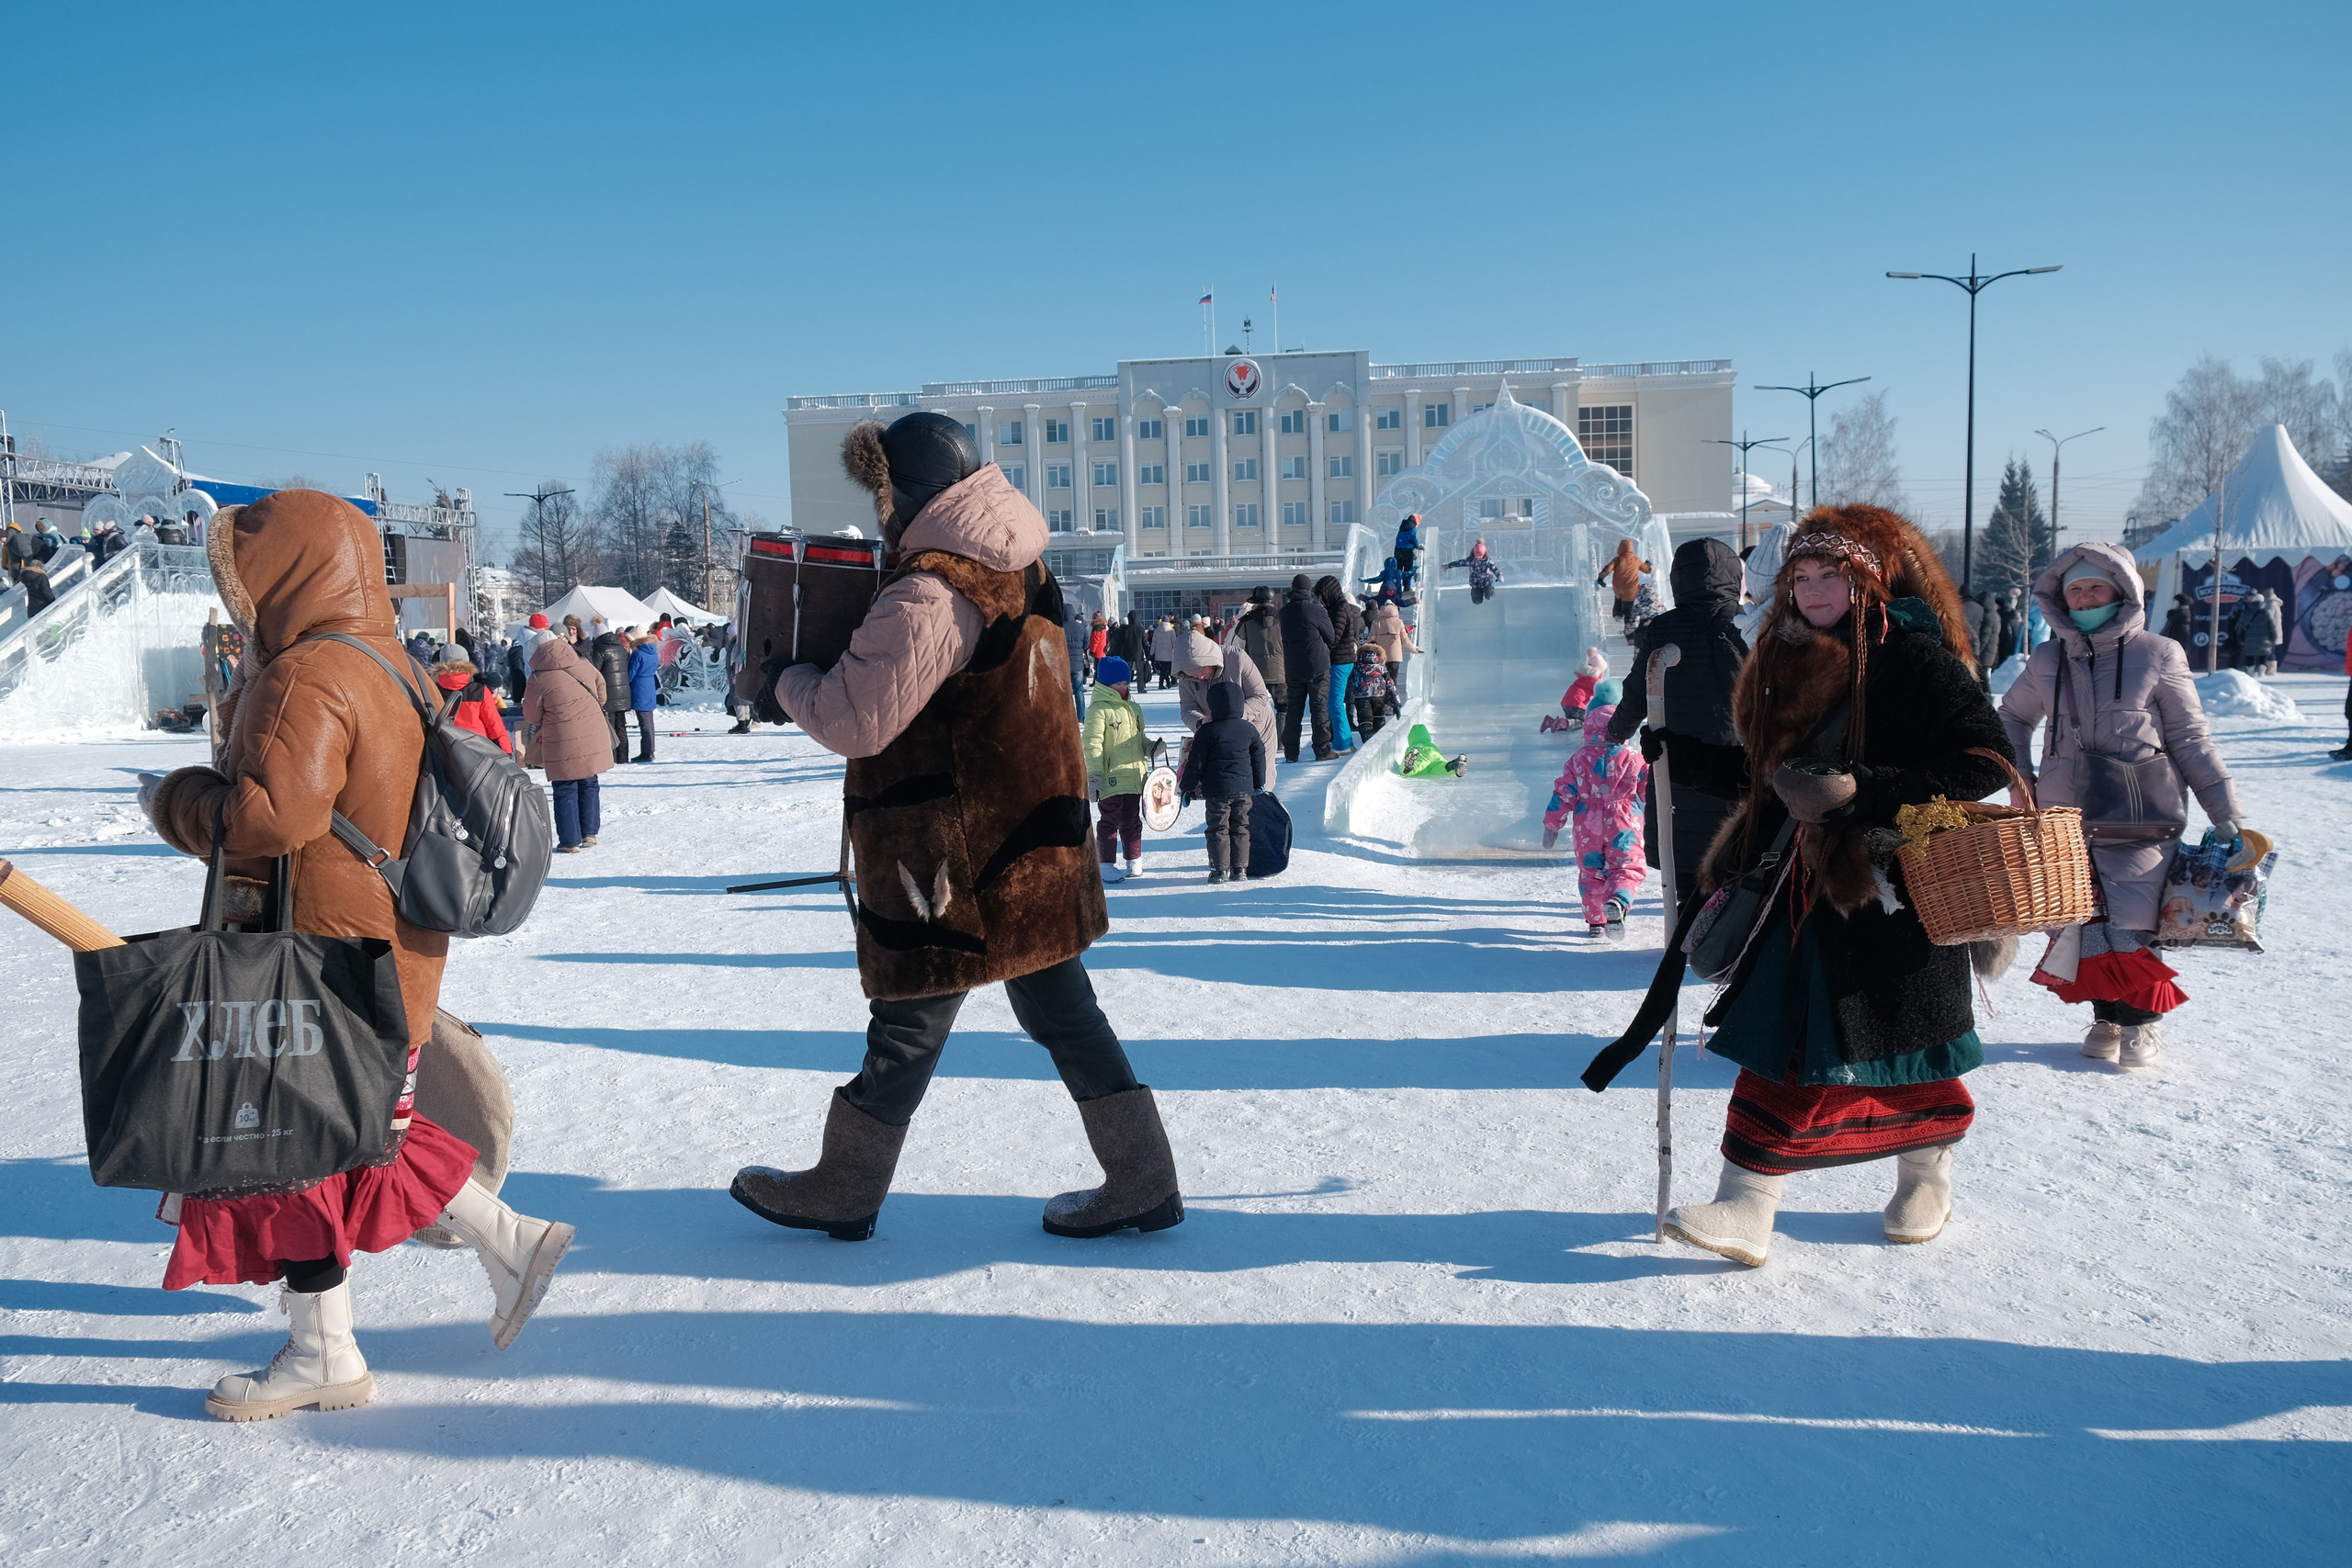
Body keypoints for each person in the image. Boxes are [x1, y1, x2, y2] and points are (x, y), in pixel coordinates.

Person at [136, 489, 572, 1420]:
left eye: (242, 580)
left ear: (282, 577)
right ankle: (508, 1240)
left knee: (288, 1154)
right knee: (368, 1138)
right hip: (393, 947)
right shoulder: (393, 662)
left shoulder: (304, 677)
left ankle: (324, 1354)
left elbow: (269, 819)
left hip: (313, 964)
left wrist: (178, 799)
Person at [733, 411, 1182, 1244]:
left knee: (909, 1021)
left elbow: (856, 718)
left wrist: (788, 679)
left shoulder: (933, 588)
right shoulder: (1017, 560)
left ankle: (846, 1184)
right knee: (1061, 1009)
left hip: (955, 859)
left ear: (900, 494)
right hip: (1028, 841)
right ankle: (1142, 1175)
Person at [1656, 505, 2011, 1269]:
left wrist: (1867, 790)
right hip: (1803, 886)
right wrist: (1677, 755)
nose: (1815, 589)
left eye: (1832, 576)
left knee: (1913, 1044)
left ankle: (1927, 1175)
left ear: (1866, 581)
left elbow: (1987, 760)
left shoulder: (1914, 656)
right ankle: (1747, 1204)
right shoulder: (1785, 657)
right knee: (1786, 1041)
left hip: (1898, 886)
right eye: (1803, 576)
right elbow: (1770, 779)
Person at [1998, 545, 2248, 1070]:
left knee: (2134, 922)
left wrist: (2225, 809)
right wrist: (2022, 780)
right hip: (2064, 817)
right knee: (2082, 921)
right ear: (2060, 598)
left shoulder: (2159, 653)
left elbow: (2189, 736)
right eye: (2076, 589)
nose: (2086, 596)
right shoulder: (2047, 659)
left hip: (2141, 809)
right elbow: (2011, 718)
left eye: (2096, 587)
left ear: (2123, 591)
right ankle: (2106, 1016)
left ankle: (2142, 1024)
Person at [1608, 537, 1751, 916]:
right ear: (1734, 576)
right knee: (1741, 853)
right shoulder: (1749, 625)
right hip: (1741, 763)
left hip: (1677, 761)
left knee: (1687, 856)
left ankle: (1691, 928)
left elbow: (1638, 688)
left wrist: (1617, 730)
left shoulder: (1663, 628)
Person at [1542, 685, 1647, 938]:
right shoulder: (1633, 758)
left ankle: (1596, 924)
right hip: (1624, 822)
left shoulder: (1578, 759)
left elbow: (1563, 794)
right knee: (1626, 867)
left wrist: (1551, 825)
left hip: (1587, 825)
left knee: (1591, 871)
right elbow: (1649, 789)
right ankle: (1618, 902)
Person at [524, 630, 614, 852]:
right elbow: (602, 695)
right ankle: (590, 833)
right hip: (592, 732)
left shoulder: (538, 678)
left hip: (561, 737)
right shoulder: (584, 664)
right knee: (589, 782)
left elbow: (532, 716)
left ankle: (570, 841)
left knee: (565, 787)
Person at [1180, 681, 1264, 884]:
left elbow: (1196, 763)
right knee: (1241, 826)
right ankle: (1240, 869)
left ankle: (1219, 870)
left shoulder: (1207, 732)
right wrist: (1259, 782)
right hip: (1244, 790)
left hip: (1217, 791)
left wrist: (1187, 787)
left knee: (1218, 828)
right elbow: (1259, 755)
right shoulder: (1249, 729)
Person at [1176, 628, 1279, 791]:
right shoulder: (1185, 678)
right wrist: (1202, 723)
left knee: (1258, 780)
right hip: (1217, 733)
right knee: (1227, 783)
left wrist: (1233, 718)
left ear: (1209, 659)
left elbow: (1260, 696)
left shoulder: (1236, 658)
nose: (1199, 677)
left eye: (1201, 671)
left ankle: (1259, 811)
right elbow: (1187, 710)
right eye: (1193, 675)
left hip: (1255, 727)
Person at [1082, 655, 1149, 882]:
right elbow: (1092, 744)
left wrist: (1152, 748)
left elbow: (1141, 739)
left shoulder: (1134, 707)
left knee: (1133, 820)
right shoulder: (1099, 709)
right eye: (1119, 683)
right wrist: (1094, 775)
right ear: (1106, 683)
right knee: (1110, 821)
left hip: (1133, 776)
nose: (1124, 686)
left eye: (1126, 682)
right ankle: (1106, 864)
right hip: (1110, 778)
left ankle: (1134, 860)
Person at [1276, 573, 1336, 761]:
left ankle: (1291, 752)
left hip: (1293, 668)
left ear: (1292, 590)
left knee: (1294, 710)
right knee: (1319, 708)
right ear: (1308, 590)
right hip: (1317, 666)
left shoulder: (1284, 612)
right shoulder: (1315, 610)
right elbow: (1331, 636)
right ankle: (1322, 750)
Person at [1316, 576, 1364, 753]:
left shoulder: (1338, 609)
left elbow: (1333, 637)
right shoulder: (1341, 607)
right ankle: (1344, 741)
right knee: (1334, 701)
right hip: (1343, 660)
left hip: (1340, 660)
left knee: (1335, 702)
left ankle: (1343, 744)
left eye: (1322, 595)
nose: (1321, 599)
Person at [431, 658, 513, 753]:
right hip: (478, 749)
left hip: (444, 749)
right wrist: (506, 751)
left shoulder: (432, 691)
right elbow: (494, 725)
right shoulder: (480, 691)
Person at [1232, 586, 1287, 722]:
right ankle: (1281, 742)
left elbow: (1236, 648)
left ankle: (1257, 740)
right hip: (1279, 672)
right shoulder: (1283, 620)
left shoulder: (1245, 622)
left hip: (1253, 673)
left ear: (1255, 602)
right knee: (1283, 708)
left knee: (1253, 709)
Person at [591, 626, 632, 764]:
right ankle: (623, 757)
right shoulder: (620, 648)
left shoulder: (600, 650)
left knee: (610, 727)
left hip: (609, 693)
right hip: (623, 694)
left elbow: (594, 671)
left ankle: (612, 757)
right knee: (621, 726)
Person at [1345, 640, 1400, 739]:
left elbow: (1349, 681)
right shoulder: (1381, 666)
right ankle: (1378, 741)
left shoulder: (1356, 665)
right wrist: (1396, 703)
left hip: (1361, 695)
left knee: (1365, 720)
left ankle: (1367, 740)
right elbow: (1390, 683)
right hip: (1378, 695)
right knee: (1378, 717)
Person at [1365, 591, 1419, 689]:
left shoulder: (1376, 622)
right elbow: (1405, 640)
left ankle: (1383, 699)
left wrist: (1364, 652)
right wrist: (1414, 650)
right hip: (1395, 657)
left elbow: (1370, 639)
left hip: (1381, 657)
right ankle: (1393, 700)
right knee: (1393, 680)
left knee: (1381, 679)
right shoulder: (1399, 622)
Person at [2233, 587, 2282, 677]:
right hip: (2264, 639)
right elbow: (2272, 626)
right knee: (2263, 655)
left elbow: (2240, 625)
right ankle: (2261, 673)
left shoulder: (2246, 611)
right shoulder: (2266, 612)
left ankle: (2251, 672)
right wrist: (2274, 637)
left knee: (2250, 655)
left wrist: (2240, 636)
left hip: (2249, 638)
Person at [627, 630, 660, 761]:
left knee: (644, 721)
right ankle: (650, 749)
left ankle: (647, 751)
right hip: (649, 686)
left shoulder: (638, 654)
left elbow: (630, 673)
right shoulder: (654, 652)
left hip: (640, 687)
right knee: (649, 720)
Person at [1598, 537, 1642, 626]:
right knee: (1629, 608)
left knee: (1618, 598)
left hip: (1619, 587)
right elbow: (1646, 569)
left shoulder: (1617, 560)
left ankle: (1617, 614)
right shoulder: (1636, 560)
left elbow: (1608, 569)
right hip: (1631, 588)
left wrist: (1601, 578)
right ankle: (1629, 628)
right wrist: (1649, 565)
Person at [1448, 538, 1504, 604]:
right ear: (1474, 554)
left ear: (1484, 554)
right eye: (1477, 555)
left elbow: (1495, 569)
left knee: (1489, 596)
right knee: (1477, 601)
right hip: (1475, 584)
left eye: (1480, 555)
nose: (1479, 557)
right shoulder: (1470, 561)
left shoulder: (1487, 561)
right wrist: (1448, 565)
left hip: (1486, 582)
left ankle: (1490, 591)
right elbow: (1460, 563)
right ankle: (1477, 596)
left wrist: (1499, 575)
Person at [1394, 512, 1422, 590]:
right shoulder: (1412, 528)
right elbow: (1412, 538)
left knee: (1398, 568)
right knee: (1408, 568)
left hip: (1397, 549)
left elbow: (1401, 539)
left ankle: (1396, 585)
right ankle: (1406, 586)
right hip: (1407, 550)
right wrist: (1417, 546)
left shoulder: (1402, 527)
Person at [1149, 615, 1179, 689]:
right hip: (1169, 654)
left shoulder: (1157, 630)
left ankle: (1167, 683)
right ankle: (1161, 684)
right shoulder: (1171, 631)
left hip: (1158, 654)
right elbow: (1174, 643)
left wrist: (1151, 653)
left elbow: (1153, 643)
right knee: (1165, 670)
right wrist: (1176, 652)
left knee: (1163, 669)